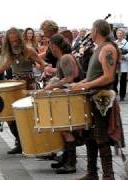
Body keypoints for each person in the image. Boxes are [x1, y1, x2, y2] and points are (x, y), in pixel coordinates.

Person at [72, 19, 120, 180]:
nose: (90, 33)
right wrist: (79, 84)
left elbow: (108, 77)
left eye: (91, 30)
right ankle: (92, 173)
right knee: (91, 137)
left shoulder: (107, 49)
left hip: (103, 99)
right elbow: (94, 76)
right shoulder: (98, 48)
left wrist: (85, 86)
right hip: (94, 98)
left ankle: (108, 175)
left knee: (101, 138)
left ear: (96, 31)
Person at [0, 27, 45, 154]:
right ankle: (19, 141)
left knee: (29, 115)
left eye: (15, 40)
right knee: (10, 116)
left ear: (19, 39)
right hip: (16, 85)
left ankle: (33, 142)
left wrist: (43, 74)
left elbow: (41, 62)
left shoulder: (29, 50)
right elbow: (6, 65)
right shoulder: (11, 53)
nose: (14, 42)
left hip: (29, 84)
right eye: (11, 40)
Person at [44, 34, 84, 174]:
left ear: (54, 46)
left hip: (72, 98)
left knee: (67, 130)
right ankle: (66, 159)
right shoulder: (63, 58)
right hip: (70, 97)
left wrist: (52, 86)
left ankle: (71, 163)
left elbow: (70, 78)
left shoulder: (66, 58)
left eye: (50, 46)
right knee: (64, 129)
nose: (49, 49)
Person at [114, 28, 128, 101]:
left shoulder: (126, 43)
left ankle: (122, 95)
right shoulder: (114, 42)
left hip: (123, 64)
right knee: (114, 80)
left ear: (123, 35)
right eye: (118, 33)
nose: (119, 35)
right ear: (116, 34)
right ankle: (115, 93)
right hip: (116, 65)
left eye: (121, 33)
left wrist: (124, 56)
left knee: (123, 81)